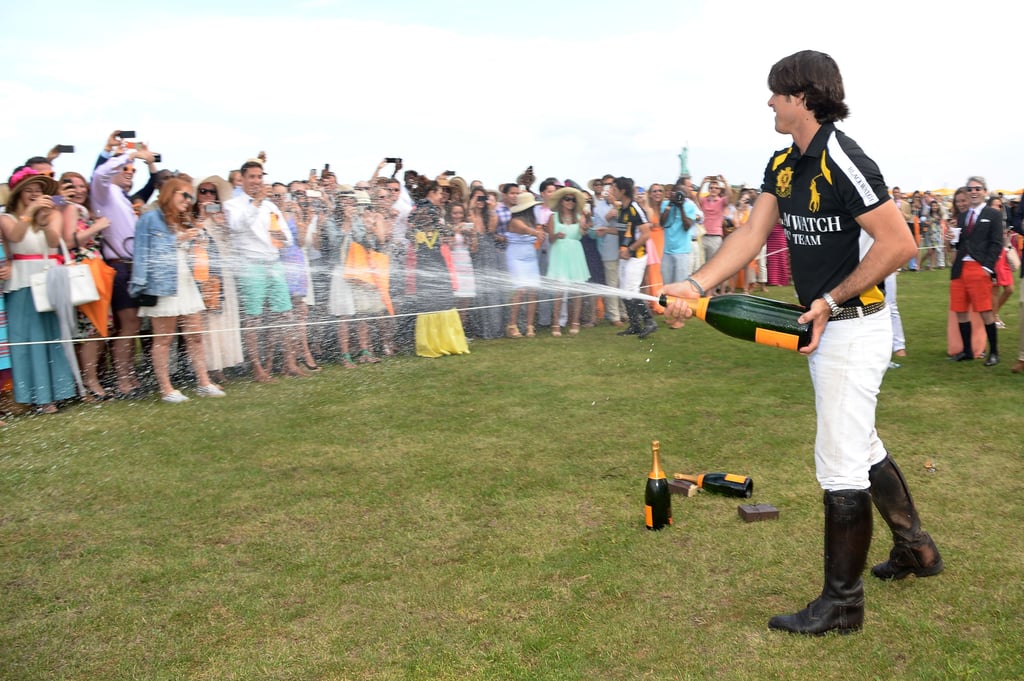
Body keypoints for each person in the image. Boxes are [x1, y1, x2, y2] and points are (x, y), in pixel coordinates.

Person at [663, 50, 942, 636]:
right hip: (826, 325)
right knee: (861, 447)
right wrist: (692, 286)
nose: (768, 102)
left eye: (775, 93)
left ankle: (842, 604)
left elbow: (898, 245)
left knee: (840, 463)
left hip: (854, 326)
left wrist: (832, 299)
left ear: (803, 96)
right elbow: (751, 236)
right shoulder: (783, 163)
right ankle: (916, 548)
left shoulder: (844, 157)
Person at [130, 179, 225, 402]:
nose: (188, 200)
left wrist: (197, 229)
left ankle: (203, 382)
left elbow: (191, 250)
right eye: (184, 195)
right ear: (170, 193)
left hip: (187, 283)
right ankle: (166, 389)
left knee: (195, 336)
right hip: (162, 285)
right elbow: (143, 252)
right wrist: (140, 285)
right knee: (164, 340)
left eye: (190, 197)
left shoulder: (184, 219)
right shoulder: (149, 218)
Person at [0, 168, 78, 414]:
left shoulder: (51, 214)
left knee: (53, 335)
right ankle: (35, 397)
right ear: (18, 194)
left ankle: (59, 392)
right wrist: (30, 213)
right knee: (27, 338)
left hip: (49, 279)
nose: (34, 194)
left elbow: (55, 242)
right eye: (28, 191)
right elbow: (14, 236)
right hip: (22, 282)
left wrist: (43, 221)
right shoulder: (7, 218)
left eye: (38, 190)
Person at [223, 160, 308, 381]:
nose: (256, 181)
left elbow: (287, 238)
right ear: (242, 179)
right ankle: (257, 368)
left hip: (274, 263)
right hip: (250, 265)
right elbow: (237, 227)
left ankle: (289, 363)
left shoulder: (271, 207)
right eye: (252, 177)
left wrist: (282, 237)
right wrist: (257, 202)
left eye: (259, 177)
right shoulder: (233, 205)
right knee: (253, 319)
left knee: (285, 314)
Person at [948, 176, 1004, 366]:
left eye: (977, 189)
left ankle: (994, 352)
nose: (973, 192)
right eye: (970, 189)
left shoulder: (993, 214)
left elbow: (997, 244)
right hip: (959, 269)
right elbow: (960, 244)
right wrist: (953, 238)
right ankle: (967, 351)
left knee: (985, 311)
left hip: (979, 268)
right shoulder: (963, 216)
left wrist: (987, 268)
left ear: (984, 191)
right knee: (960, 310)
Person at [610, 177, 657, 339]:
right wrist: (606, 230)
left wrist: (630, 250)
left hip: (636, 257)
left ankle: (650, 322)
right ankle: (635, 325)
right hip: (625, 257)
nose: (612, 192)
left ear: (622, 190)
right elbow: (623, 231)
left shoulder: (634, 208)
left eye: (614, 189)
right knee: (624, 292)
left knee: (632, 290)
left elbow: (646, 234)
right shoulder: (622, 209)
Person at [544, 186, 591, 336]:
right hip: (559, 254)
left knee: (577, 290)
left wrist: (587, 220)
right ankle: (556, 324)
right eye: (567, 199)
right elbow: (550, 239)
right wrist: (556, 235)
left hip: (575, 253)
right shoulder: (553, 217)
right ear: (561, 201)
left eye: (573, 199)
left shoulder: (579, 216)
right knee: (559, 291)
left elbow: (583, 232)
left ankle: (575, 322)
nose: (570, 202)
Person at [504, 192, 544, 338]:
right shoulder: (515, 221)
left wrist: (539, 233)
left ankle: (529, 325)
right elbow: (524, 229)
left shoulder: (533, 221)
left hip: (530, 258)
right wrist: (535, 232)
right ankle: (512, 325)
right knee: (520, 290)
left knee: (533, 291)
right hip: (516, 257)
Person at [987, 196, 1014, 329]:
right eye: (995, 205)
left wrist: (1007, 237)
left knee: (1010, 289)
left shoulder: (1001, 221)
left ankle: (994, 313)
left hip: (1003, 256)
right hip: (994, 257)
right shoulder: (987, 221)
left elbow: (1002, 240)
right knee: (995, 290)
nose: (998, 208)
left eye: (1000, 206)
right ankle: (994, 316)